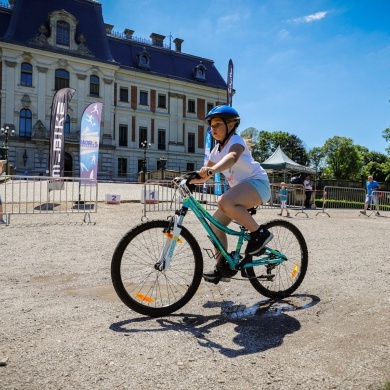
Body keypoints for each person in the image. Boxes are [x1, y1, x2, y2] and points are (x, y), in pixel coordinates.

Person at [192, 105, 272, 284]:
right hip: (242, 190)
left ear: (231, 126)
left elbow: (232, 158)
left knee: (224, 200)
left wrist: (211, 170)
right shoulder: (216, 150)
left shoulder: (235, 141)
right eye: (211, 126)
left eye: (217, 124)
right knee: (215, 227)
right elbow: (203, 175)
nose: (213, 129)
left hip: (257, 184)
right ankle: (223, 267)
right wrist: (187, 180)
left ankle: (260, 234)